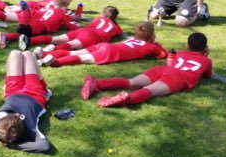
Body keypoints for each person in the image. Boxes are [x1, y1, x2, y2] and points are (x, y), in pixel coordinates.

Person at [82, 32, 212, 107]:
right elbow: (207, 75)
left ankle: (97, 83)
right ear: (205, 48)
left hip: (163, 69)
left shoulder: (181, 53)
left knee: (131, 82)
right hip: (178, 77)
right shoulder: (206, 61)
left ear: (187, 45)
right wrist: (206, 56)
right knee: (150, 91)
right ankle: (126, 99)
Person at [37, 21, 167, 67]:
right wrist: (156, 43)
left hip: (107, 45)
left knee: (75, 52)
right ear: (151, 34)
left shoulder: (133, 38)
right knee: (81, 59)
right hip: (111, 52)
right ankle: (54, 62)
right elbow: (163, 55)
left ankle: (44, 54)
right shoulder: (150, 46)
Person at [20, 5, 122, 51]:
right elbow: (119, 33)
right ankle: (44, 52)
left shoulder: (98, 19)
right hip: (93, 36)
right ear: (116, 17)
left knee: (56, 39)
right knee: (70, 45)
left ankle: (29, 40)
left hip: (84, 30)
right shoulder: (115, 27)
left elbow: (93, 24)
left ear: (103, 14)